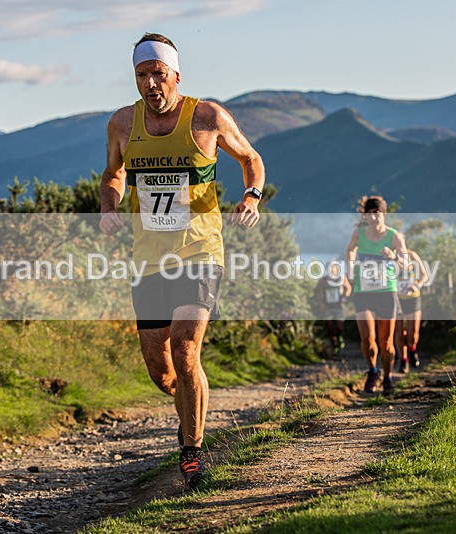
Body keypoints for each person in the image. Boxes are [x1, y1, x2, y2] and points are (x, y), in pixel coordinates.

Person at [99, 33, 264, 489]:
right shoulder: (120, 124)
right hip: (149, 259)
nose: (151, 83)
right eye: (141, 75)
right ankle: (189, 409)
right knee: (161, 369)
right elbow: (113, 174)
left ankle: (191, 451)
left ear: (175, 75)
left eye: (158, 73)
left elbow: (251, 158)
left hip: (200, 252)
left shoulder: (206, 116)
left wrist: (251, 195)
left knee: (185, 347)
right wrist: (109, 207)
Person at [345, 196, 408, 395]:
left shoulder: (394, 236)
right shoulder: (359, 234)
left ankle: (387, 376)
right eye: (370, 213)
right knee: (367, 337)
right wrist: (350, 269)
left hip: (386, 292)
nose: (374, 217)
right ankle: (373, 371)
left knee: (386, 342)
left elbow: (407, 263)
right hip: (363, 292)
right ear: (366, 216)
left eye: (378, 213)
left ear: (383, 214)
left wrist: (394, 256)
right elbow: (349, 251)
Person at [395, 249, 429, 373]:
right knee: (398, 332)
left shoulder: (412, 255)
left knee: (412, 333)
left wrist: (417, 285)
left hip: (412, 298)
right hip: (396, 299)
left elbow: (424, 275)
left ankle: (412, 349)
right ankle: (403, 360)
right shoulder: (388, 257)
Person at [313, 261, 352, 355]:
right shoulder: (323, 280)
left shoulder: (341, 278)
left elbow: (349, 288)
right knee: (330, 326)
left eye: (333, 267)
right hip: (327, 306)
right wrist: (320, 303)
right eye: (329, 267)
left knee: (339, 326)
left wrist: (344, 297)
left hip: (339, 306)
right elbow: (317, 292)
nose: (331, 269)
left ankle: (339, 337)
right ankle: (334, 344)